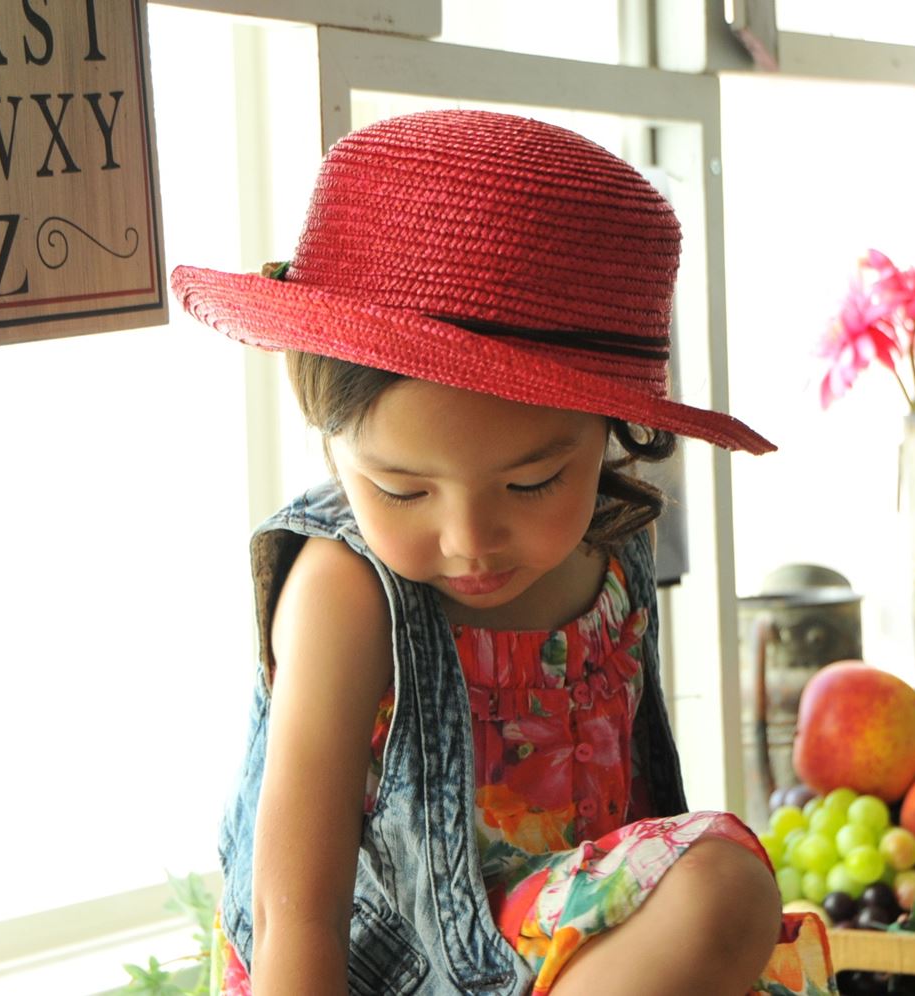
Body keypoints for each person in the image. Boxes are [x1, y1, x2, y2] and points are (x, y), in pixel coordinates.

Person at [172, 110, 836, 996]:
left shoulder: (615, 551)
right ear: (332, 443)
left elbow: (633, 841)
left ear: (613, 431)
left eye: (532, 484)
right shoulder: (345, 589)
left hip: (552, 961)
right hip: (382, 976)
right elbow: (296, 910)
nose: (469, 540)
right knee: (721, 885)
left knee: (719, 892)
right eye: (401, 489)